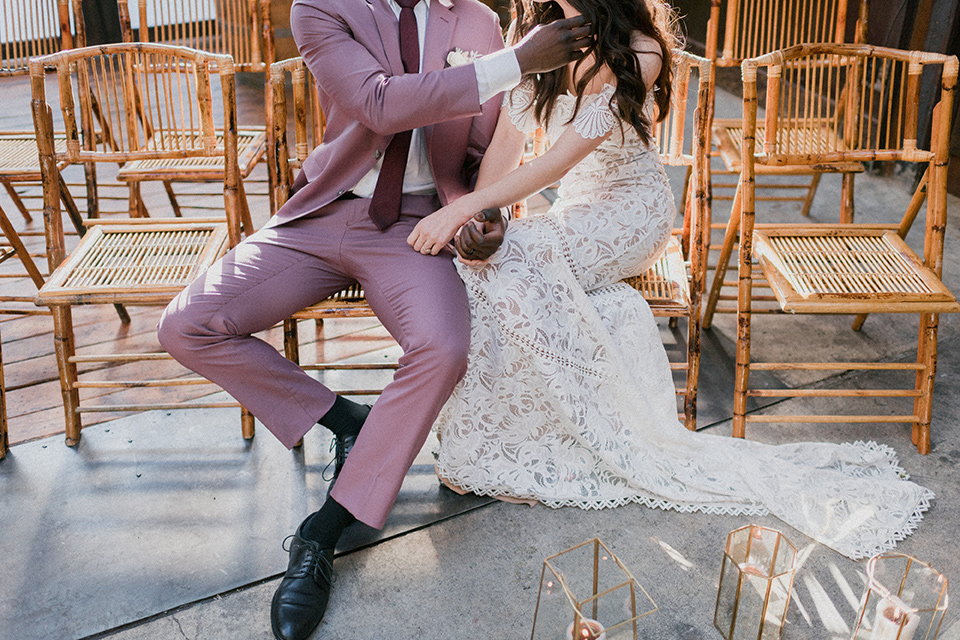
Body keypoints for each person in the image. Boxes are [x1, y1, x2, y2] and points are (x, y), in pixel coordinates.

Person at [411, 0, 934, 562]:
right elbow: (509, 144)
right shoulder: (536, 34)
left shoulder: (640, 51)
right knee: (482, 265)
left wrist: (458, 211)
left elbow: (561, 159)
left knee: (510, 263)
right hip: (575, 209)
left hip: (631, 213)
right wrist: (479, 217)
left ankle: (551, 448)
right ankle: (506, 444)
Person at [157, 1, 591, 638]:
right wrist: (518, 61)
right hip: (327, 211)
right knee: (186, 325)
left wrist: (481, 214)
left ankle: (320, 533)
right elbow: (380, 103)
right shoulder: (322, 8)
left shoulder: (477, 20)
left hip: (417, 222)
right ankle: (348, 421)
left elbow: (479, 153)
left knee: (443, 348)